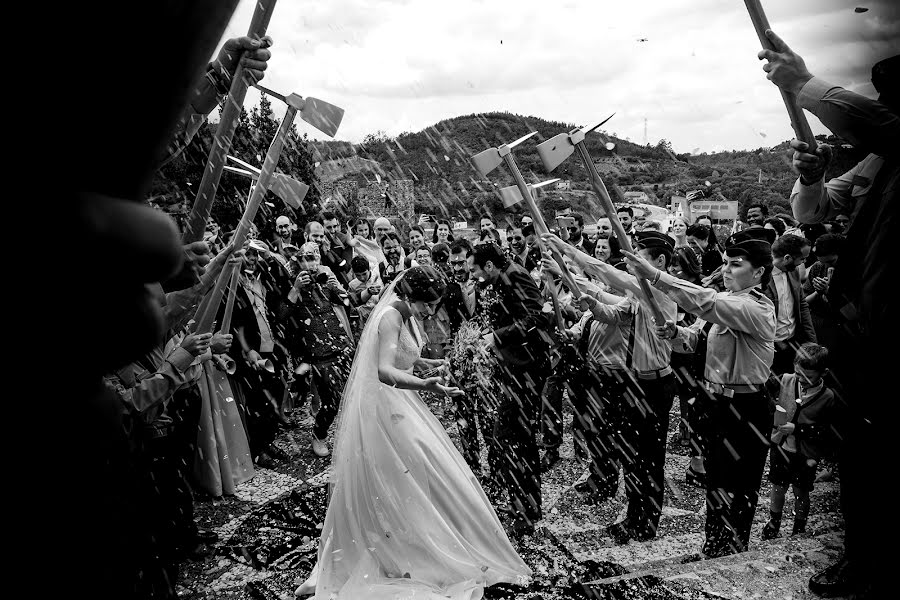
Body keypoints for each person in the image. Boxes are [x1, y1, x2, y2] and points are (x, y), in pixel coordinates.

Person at [294, 266, 530, 599]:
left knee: (419, 472)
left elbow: (403, 358)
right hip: (386, 409)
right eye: (426, 304)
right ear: (408, 295)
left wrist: (429, 366)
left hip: (402, 405)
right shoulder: (390, 316)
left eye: (434, 304)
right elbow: (383, 370)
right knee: (410, 472)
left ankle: (418, 532)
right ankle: (404, 544)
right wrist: (428, 386)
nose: (430, 311)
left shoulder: (407, 313)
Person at [760, 32, 898, 597]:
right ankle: (864, 557)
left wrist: (804, 85)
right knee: (862, 454)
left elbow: (881, 123)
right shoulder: (877, 159)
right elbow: (814, 210)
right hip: (865, 341)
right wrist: (812, 176)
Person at [631, 228, 776, 558]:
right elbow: (697, 338)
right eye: (725, 263)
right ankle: (714, 545)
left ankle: (734, 548)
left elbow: (706, 303)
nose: (727, 270)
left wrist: (655, 276)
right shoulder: (725, 304)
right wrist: (676, 333)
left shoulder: (757, 309)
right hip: (716, 401)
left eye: (736, 264)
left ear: (759, 272)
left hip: (747, 404)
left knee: (742, 484)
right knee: (716, 479)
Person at [545, 231, 679, 544]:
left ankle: (645, 523)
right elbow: (615, 314)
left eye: (639, 255)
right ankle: (634, 515)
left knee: (649, 458)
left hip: (655, 384)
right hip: (633, 383)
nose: (632, 261)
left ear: (659, 261)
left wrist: (566, 249)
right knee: (632, 455)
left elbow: (607, 273)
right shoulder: (639, 294)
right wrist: (592, 304)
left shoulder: (660, 289)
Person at [468, 242, 552, 536]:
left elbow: (537, 317)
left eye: (475, 269)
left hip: (526, 368)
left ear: (489, 265)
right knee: (513, 438)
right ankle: (525, 506)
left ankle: (525, 511)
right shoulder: (502, 277)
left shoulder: (515, 274)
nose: (474, 275)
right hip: (515, 367)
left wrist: (497, 337)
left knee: (514, 438)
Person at [761, 343, 841, 541]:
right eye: (799, 374)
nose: (802, 380)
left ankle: (799, 526)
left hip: (806, 453)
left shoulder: (828, 397)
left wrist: (798, 429)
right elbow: (764, 388)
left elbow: (825, 430)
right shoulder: (786, 380)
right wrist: (773, 412)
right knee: (778, 486)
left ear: (823, 373)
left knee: (801, 491)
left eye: (809, 377)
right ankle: (774, 521)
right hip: (781, 446)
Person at [283, 242, 354, 458]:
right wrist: (295, 288)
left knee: (356, 392)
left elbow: (349, 303)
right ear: (297, 263)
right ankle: (319, 433)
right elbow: (282, 316)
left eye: (313, 258)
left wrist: (340, 288)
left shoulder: (325, 283)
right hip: (318, 352)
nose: (310, 263)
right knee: (332, 400)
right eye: (304, 258)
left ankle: (353, 434)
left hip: (341, 345)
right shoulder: (291, 286)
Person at [765, 234, 816, 375]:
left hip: (793, 343)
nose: (803, 262)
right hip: (770, 347)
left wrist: (812, 341)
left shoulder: (793, 272)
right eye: (802, 259)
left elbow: (802, 305)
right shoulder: (760, 277)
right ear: (787, 258)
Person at [802, 233, 844, 351]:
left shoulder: (856, 270)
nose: (826, 266)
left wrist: (829, 292)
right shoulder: (818, 267)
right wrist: (818, 293)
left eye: (831, 262)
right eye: (822, 262)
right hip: (819, 325)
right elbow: (805, 300)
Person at [347, 255, 382, 324]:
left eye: (364, 274)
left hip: (381, 315)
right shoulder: (352, 285)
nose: (362, 278)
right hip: (365, 320)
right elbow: (352, 306)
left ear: (369, 268)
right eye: (358, 275)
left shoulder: (379, 277)